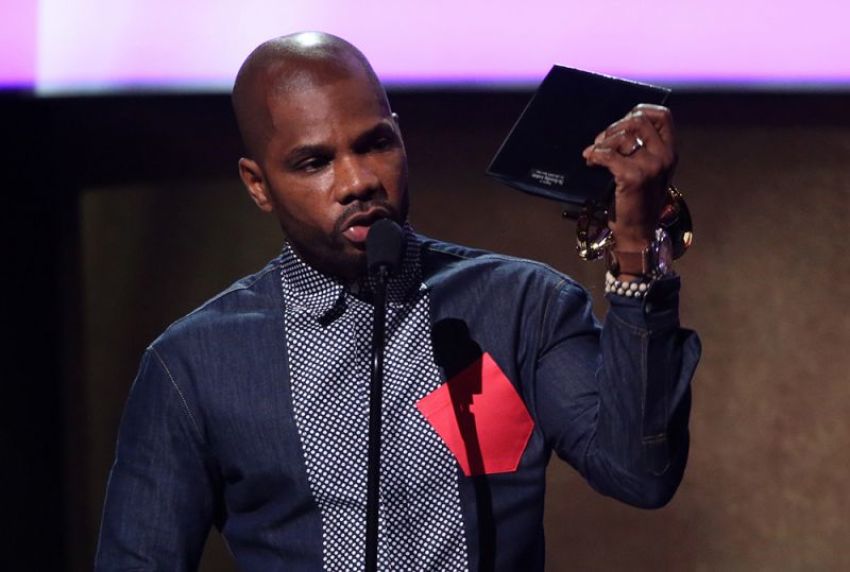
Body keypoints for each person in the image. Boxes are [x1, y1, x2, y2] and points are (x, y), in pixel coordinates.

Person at [95, 32, 700, 571]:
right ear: (259, 185)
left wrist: (635, 242)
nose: (357, 180)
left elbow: (638, 473)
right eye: (314, 162)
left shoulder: (520, 306)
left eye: (374, 144)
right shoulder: (195, 365)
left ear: (401, 137)